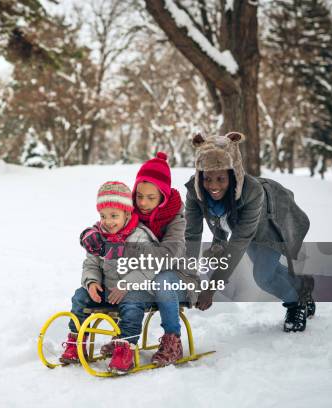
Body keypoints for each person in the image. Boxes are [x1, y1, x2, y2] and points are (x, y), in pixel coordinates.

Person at [77, 153, 199, 369]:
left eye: (151, 198)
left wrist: (118, 250)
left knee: (161, 281)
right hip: (140, 277)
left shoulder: (176, 218)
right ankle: (122, 338)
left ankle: (173, 339)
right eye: (139, 196)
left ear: (163, 195)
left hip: (175, 275)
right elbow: (107, 221)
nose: (143, 203)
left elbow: (167, 255)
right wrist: (92, 235)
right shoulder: (128, 212)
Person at [185, 132, 315, 332]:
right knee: (268, 270)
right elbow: (192, 235)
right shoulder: (196, 191)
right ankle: (301, 286)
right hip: (241, 229)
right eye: (207, 178)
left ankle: (296, 303)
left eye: (221, 178)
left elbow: (238, 243)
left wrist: (210, 289)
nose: (213, 186)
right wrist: (188, 277)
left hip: (268, 226)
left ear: (233, 174)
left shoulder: (252, 192)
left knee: (263, 276)